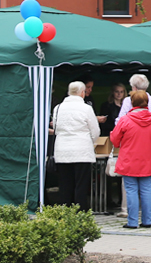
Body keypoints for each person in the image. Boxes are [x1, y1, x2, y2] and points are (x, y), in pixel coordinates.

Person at [110, 90, 151, 229]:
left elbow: (114, 140)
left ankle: (132, 221)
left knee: (131, 190)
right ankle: (147, 221)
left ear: (132, 102)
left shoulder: (125, 120)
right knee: (146, 190)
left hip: (128, 160)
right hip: (147, 159)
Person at [51, 81, 100, 212]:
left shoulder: (58, 108)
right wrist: (90, 141)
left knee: (65, 184)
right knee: (81, 185)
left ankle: (66, 212)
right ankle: (80, 212)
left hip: (62, 150)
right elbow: (95, 131)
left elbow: (55, 128)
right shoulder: (86, 108)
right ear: (82, 93)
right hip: (82, 151)